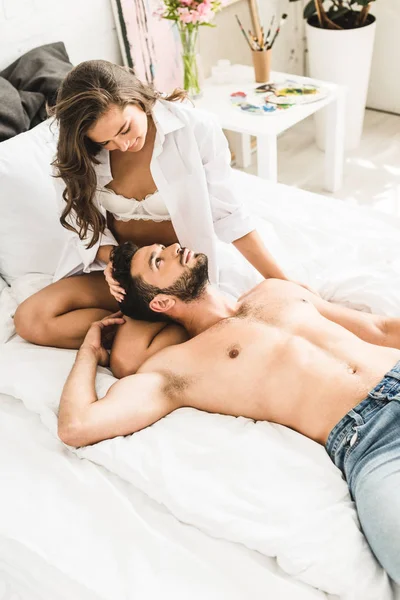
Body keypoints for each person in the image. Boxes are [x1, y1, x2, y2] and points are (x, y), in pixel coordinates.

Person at [59, 241, 400, 582]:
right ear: (161, 301)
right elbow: (77, 425)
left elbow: (379, 330)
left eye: (165, 247)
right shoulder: (176, 369)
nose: (176, 247)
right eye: (158, 260)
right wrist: (88, 352)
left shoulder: (274, 291)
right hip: (369, 442)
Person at [14, 59, 305, 370]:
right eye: (106, 141)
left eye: (125, 129)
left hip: (174, 279)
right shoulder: (80, 152)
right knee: (31, 319)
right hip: (123, 270)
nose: (123, 145)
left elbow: (229, 216)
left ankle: (155, 333)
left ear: (136, 97)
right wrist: (111, 259)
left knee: (126, 364)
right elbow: (80, 223)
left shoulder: (195, 128)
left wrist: (284, 282)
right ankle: (128, 327)